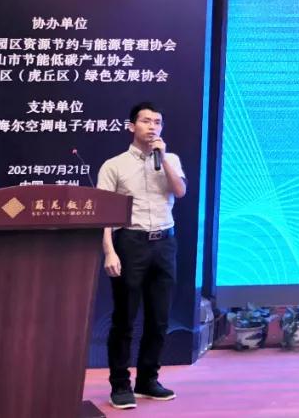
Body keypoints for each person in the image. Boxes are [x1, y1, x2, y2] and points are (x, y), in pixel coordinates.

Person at [97, 102, 187, 409]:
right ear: (131, 126)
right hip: (130, 243)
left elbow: (180, 191)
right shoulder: (114, 165)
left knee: (159, 318)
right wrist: (109, 251)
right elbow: (104, 214)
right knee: (125, 318)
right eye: (146, 121)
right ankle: (120, 384)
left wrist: (165, 160)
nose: (152, 127)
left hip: (165, 242)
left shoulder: (170, 159)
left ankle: (148, 380)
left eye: (157, 122)